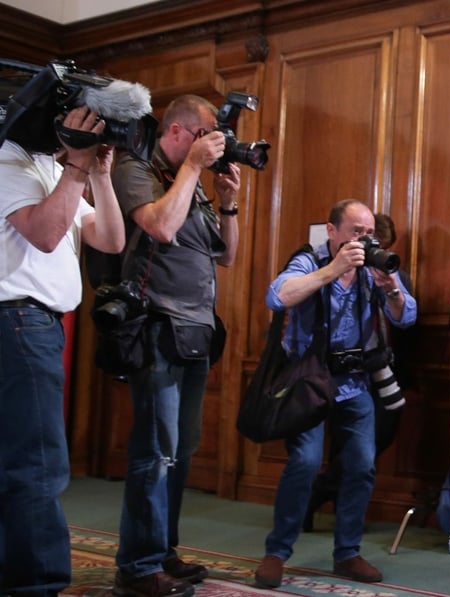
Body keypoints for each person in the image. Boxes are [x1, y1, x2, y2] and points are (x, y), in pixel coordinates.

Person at [109, 95, 241, 597]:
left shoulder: (194, 187)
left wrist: (227, 201)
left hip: (195, 333)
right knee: (155, 451)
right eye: (210, 135)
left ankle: (162, 549)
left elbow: (225, 255)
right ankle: (138, 567)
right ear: (181, 132)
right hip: (156, 328)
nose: (216, 145)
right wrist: (190, 168)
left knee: (181, 451)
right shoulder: (134, 169)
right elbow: (161, 227)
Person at [254, 199, 416, 588]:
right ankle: (277, 552)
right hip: (308, 382)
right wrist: (333, 270)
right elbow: (277, 296)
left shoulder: (374, 269)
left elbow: (406, 316)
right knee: (305, 464)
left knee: (361, 465)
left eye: (368, 233)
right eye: (356, 232)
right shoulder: (310, 261)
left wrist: (392, 289)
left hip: (354, 383)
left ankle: (347, 553)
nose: (364, 240)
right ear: (332, 231)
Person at [0, 107, 125, 597]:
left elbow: (111, 240)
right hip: (18, 322)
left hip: (36, 326)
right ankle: (37, 587)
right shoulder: (7, 163)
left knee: (21, 461)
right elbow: (47, 235)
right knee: (37, 464)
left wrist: (98, 174)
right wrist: (75, 168)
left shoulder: (53, 169)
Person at [302, 211, 415, 532]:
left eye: (384, 245)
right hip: (340, 372)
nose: (380, 252)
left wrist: (392, 287)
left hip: (384, 371)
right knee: (346, 444)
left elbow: (406, 325)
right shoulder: (331, 271)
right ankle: (323, 497)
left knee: (375, 439)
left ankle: (329, 498)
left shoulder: (393, 275)